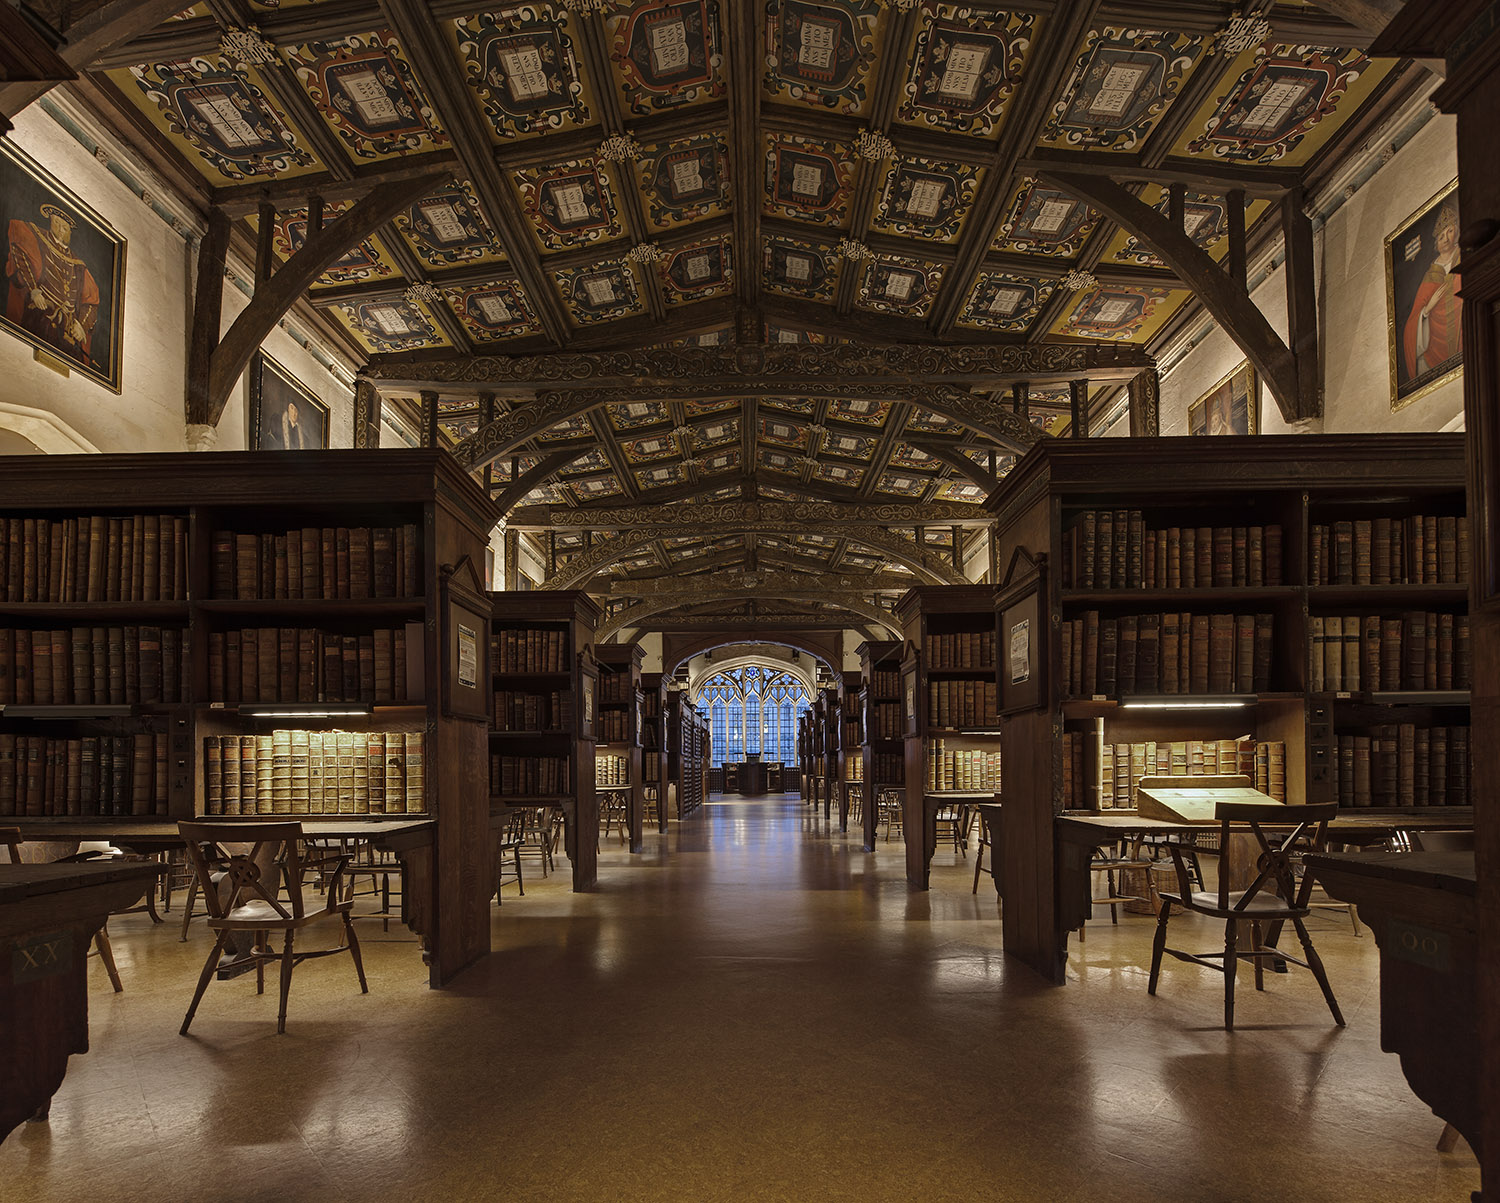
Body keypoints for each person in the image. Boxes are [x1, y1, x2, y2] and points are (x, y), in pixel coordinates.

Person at [5, 203, 100, 365]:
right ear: (50, 222)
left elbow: (91, 300)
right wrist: (34, 291)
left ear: (70, 231)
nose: (61, 229)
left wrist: (81, 326)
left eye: (65, 226)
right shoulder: (36, 236)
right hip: (40, 314)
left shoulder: (78, 264)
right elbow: (19, 251)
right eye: (57, 223)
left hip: (67, 330)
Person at [1402, 198, 1462, 383]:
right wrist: (1427, 310)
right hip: (1434, 341)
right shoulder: (1432, 272)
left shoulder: (1463, 256)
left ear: (1457, 233)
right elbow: (1412, 323)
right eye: (1441, 235)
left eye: (1450, 231)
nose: (1445, 238)